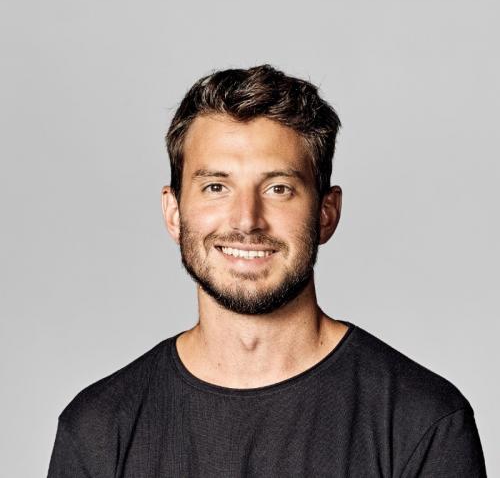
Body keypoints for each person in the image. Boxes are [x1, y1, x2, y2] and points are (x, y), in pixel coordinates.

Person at [47, 64, 487, 477]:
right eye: (215, 187)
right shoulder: (97, 428)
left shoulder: (423, 422)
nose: (246, 220)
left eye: (278, 188)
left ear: (326, 213)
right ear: (174, 212)